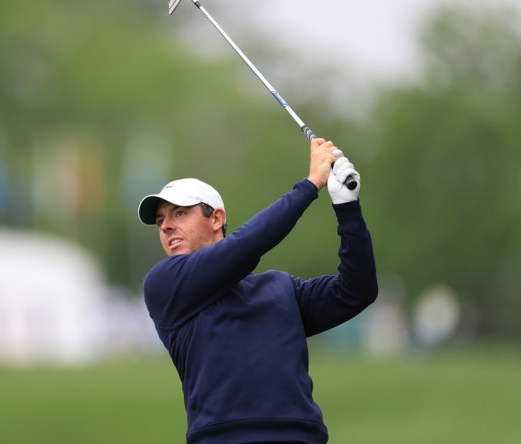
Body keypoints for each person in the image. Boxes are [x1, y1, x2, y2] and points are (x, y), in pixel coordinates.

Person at [137, 138, 378, 444]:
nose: (166, 226)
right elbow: (246, 246)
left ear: (216, 218)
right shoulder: (165, 286)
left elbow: (357, 290)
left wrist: (348, 207)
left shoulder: (282, 288)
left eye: (179, 213)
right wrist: (309, 185)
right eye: (160, 221)